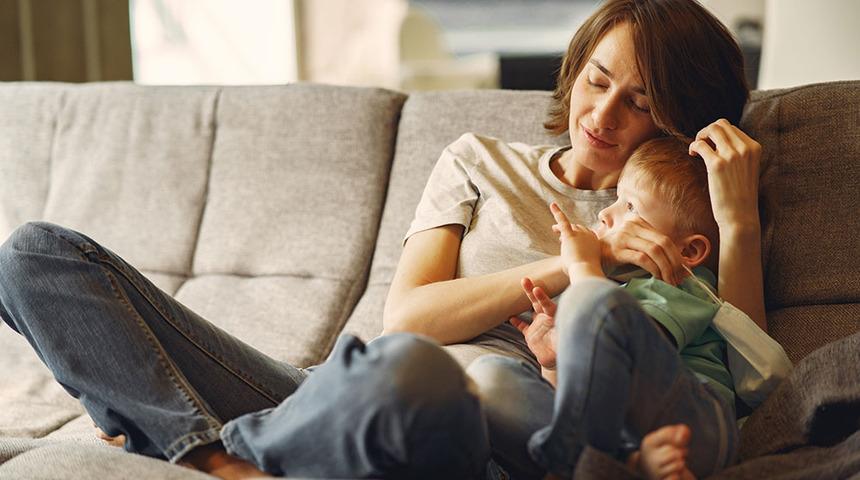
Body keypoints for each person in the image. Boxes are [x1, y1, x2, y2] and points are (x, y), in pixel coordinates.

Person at [0, 0, 764, 478]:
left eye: (640, 103)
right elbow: (411, 315)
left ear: (680, 117)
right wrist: (576, 264)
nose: (602, 114)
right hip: (329, 390)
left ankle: (186, 437)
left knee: (412, 373)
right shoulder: (479, 160)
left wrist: (736, 221)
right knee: (36, 255)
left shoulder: (671, 221)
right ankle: (216, 456)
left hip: (467, 426)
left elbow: (748, 369)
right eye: (597, 80)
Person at [509, 135, 735, 480]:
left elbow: (623, 354)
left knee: (596, 303)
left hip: (697, 428)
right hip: (625, 440)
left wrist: (581, 266)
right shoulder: (618, 288)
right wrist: (552, 361)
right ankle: (628, 466)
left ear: (688, 252)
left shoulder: (685, 285)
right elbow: (584, 408)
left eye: (631, 207)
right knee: (492, 376)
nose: (605, 213)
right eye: (617, 198)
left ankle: (569, 467)